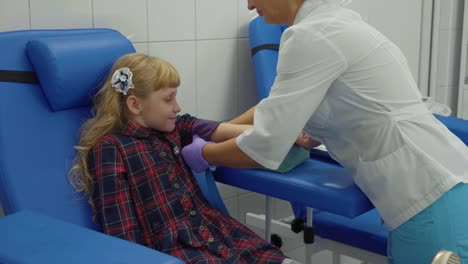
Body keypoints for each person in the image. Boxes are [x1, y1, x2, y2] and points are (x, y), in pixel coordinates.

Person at [181, 0, 468, 263]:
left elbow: (267, 145)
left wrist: (204, 153)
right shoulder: (334, 23)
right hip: (440, 188)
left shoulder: (311, 36)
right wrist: (217, 129)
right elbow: (275, 107)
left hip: (428, 197)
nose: (249, 4)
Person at [69, 53, 303, 264]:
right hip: (176, 251)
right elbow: (121, 229)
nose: (177, 106)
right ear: (135, 104)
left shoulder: (175, 129)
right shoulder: (111, 149)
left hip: (222, 235)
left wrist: (284, 135)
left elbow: (220, 130)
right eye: (168, 99)